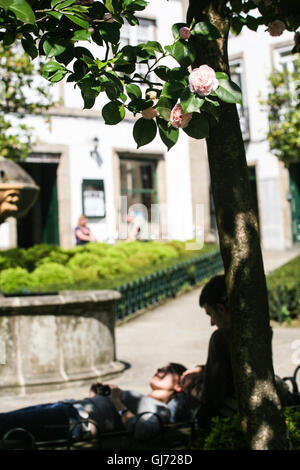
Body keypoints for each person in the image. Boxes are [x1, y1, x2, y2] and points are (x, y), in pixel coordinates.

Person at [181, 274, 297, 429]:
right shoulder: (262, 329)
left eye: (210, 314)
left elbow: (212, 397)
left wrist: (190, 386)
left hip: (238, 416)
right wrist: (203, 369)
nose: (211, 323)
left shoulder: (221, 337)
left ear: (221, 309)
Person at [0, 362, 192, 444]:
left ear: (178, 387)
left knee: (6, 424)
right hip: (69, 409)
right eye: (160, 367)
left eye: (168, 370)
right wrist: (97, 396)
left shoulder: (161, 410)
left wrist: (116, 401)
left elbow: (142, 431)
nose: (160, 370)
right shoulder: (144, 399)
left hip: (74, 421)